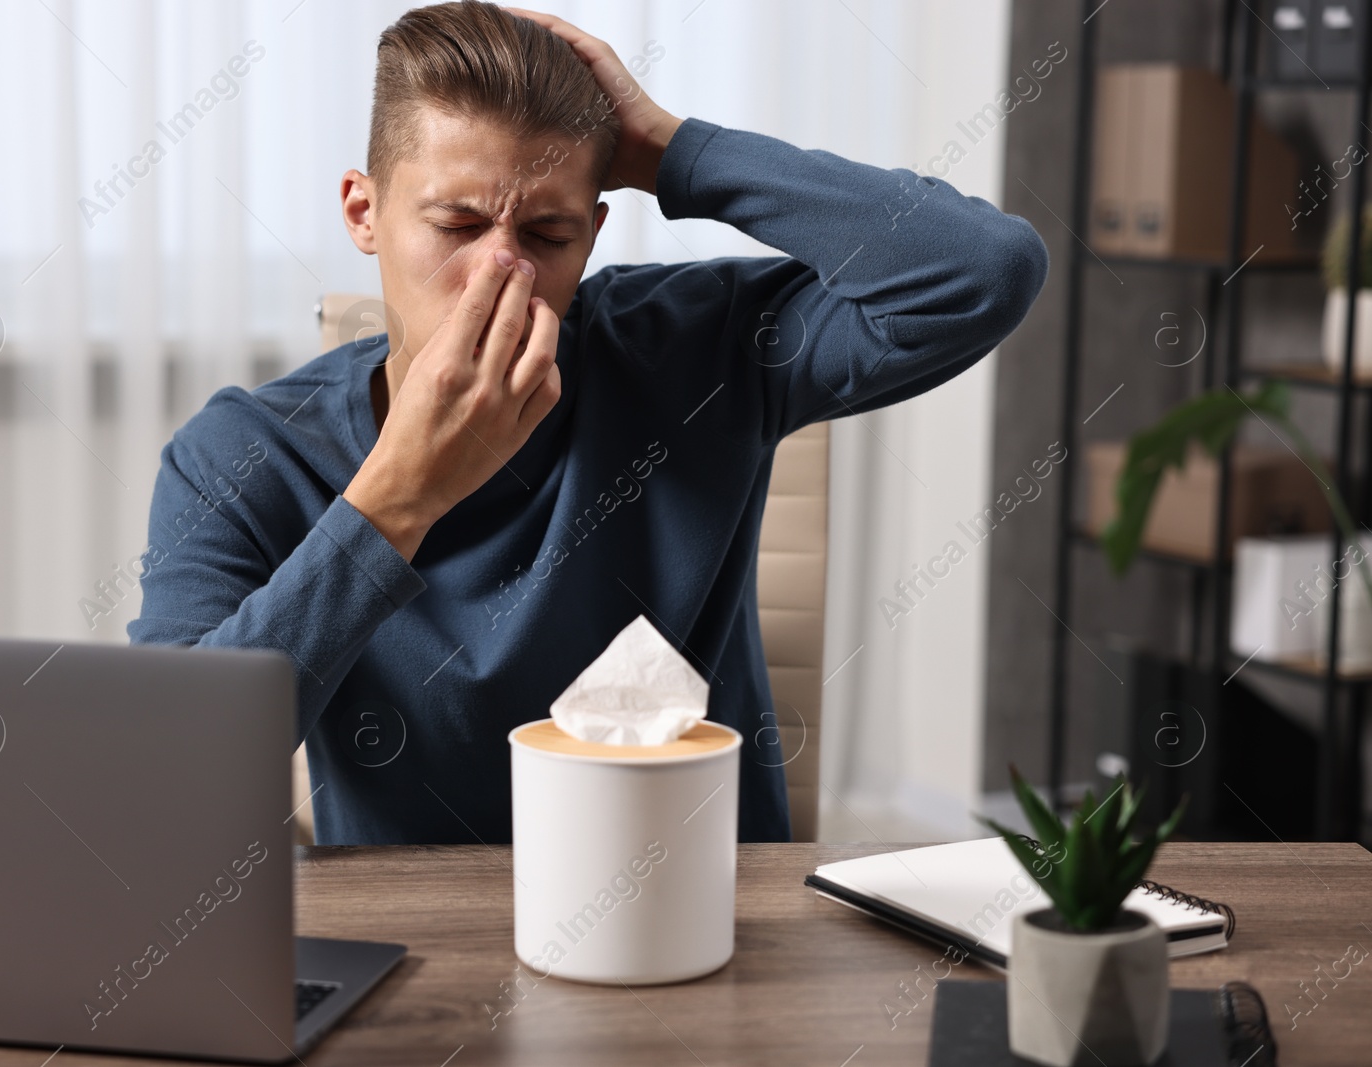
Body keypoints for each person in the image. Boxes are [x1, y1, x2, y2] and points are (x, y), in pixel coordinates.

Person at [128, 0, 1049, 844]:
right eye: (456, 224)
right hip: (420, 944)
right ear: (364, 214)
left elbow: (983, 269)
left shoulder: (693, 353)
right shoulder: (241, 456)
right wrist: (394, 500)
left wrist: (671, 150)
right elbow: (170, 778)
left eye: (547, 234)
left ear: (595, 236)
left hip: (701, 923)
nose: (504, 275)